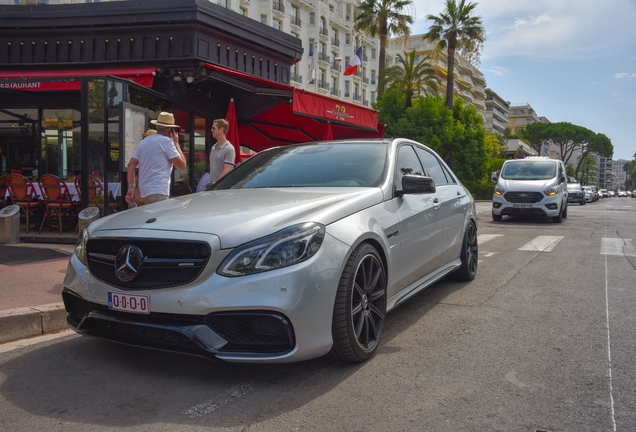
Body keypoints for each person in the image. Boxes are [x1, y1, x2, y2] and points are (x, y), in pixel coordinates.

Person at [125, 112, 186, 205]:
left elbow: (131, 165)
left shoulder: (144, 141)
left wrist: (131, 187)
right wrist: (176, 143)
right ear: (170, 129)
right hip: (159, 190)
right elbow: (181, 165)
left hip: (144, 192)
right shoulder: (166, 142)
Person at [209, 118, 236, 183]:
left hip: (222, 188)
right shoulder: (213, 147)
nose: (211, 130)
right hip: (212, 187)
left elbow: (227, 169)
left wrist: (215, 184)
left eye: (213, 128)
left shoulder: (229, 148)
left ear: (221, 129)